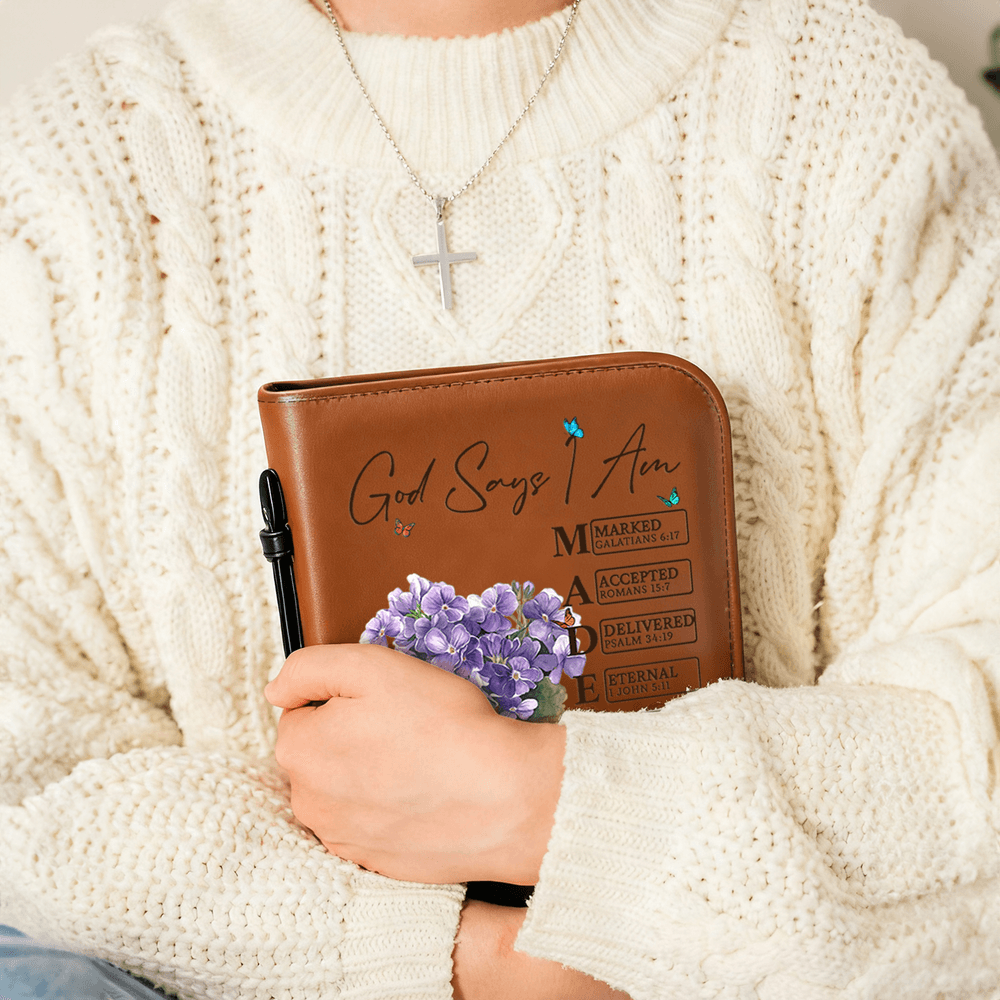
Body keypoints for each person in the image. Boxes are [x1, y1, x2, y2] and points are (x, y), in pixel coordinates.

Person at [1, 0, 998, 996]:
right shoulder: (88, 163)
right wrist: (479, 961)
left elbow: (973, 737)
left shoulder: (836, 107)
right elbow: (30, 775)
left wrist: (545, 805)